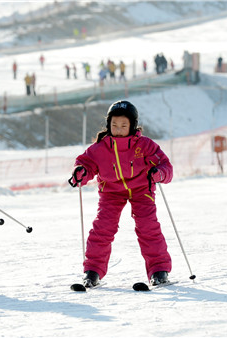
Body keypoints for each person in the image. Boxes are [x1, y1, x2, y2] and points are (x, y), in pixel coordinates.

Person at [68, 100, 173, 287]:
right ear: (108, 125)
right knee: (103, 227)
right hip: (111, 191)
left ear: (132, 126)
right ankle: (92, 271)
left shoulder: (145, 145)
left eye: (124, 125)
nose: (118, 129)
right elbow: (86, 163)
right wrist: (81, 172)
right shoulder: (100, 148)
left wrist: (159, 173)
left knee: (148, 226)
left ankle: (159, 271)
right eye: (114, 125)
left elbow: (165, 166)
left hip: (142, 189)